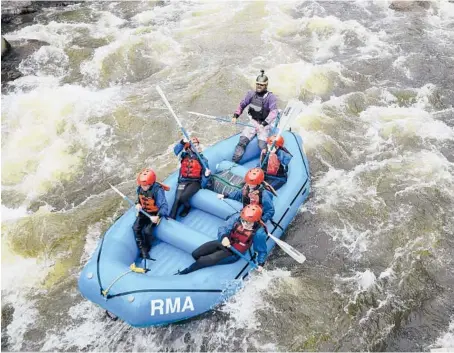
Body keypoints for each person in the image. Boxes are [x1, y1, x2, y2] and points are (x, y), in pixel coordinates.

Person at [176, 204, 268, 275]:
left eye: (248, 223)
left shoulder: (259, 233)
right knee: (195, 254)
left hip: (233, 253)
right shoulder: (237, 218)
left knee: (202, 261)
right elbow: (223, 228)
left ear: (256, 221)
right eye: (244, 221)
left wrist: (260, 264)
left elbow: (262, 251)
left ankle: (184, 273)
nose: (244, 224)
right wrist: (224, 237)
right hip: (223, 243)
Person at [231, 69, 278, 163]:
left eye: (261, 85)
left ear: (266, 85)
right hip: (253, 122)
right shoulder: (251, 94)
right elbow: (242, 104)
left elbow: (274, 112)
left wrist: (264, 124)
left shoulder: (270, 97)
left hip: (264, 125)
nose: (259, 86)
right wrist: (235, 116)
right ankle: (234, 162)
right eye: (257, 84)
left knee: (262, 145)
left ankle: (264, 165)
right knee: (242, 141)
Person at [170, 137, 212, 219]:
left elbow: (205, 178)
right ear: (189, 148)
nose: (197, 147)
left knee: (182, 198)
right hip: (183, 181)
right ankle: (171, 218)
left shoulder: (203, 160)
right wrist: (182, 142)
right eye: (194, 146)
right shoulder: (183, 156)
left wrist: (206, 176)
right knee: (177, 199)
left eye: (197, 145)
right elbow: (175, 151)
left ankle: (187, 207)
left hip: (195, 183)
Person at [133, 168, 169, 260]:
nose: (143, 187)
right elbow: (138, 199)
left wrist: (158, 216)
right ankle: (143, 250)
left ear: (151, 183)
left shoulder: (157, 190)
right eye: (142, 185)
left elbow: (164, 206)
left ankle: (148, 247)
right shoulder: (140, 188)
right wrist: (137, 204)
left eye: (145, 185)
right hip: (144, 211)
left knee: (147, 231)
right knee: (135, 228)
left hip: (155, 213)